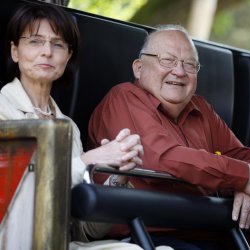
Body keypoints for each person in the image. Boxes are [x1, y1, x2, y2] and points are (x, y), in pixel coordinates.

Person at [88, 24, 250, 249]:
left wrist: (246, 181)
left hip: (210, 233)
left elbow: (248, 158)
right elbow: (163, 158)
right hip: (143, 236)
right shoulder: (124, 97)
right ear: (138, 68)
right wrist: (242, 176)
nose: (180, 71)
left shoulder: (201, 107)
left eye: (190, 64)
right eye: (168, 60)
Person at [0, 3, 166, 250]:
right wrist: (89, 159)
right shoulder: (3, 109)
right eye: (35, 41)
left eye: (58, 44)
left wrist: (116, 177)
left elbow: (85, 229)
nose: (47, 52)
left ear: (67, 56)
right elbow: (19, 199)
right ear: (15, 51)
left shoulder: (68, 127)